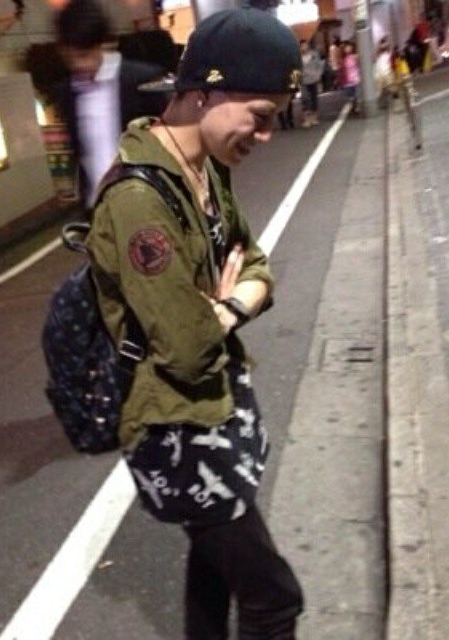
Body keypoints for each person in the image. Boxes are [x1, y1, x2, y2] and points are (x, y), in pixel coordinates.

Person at [85, 8, 304, 639]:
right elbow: (185, 348)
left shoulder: (204, 167)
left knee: (212, 577)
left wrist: (227, 306)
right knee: (274, 599)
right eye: (259, 116)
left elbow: (256, 264)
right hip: (177, 430)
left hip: (214, 408)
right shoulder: (139, 201)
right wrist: (230, 306)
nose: (266, 135)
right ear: (205, 93)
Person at [55, 0, 166, 210]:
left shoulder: (143, 81)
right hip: (98, 208)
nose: (80, 65)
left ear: (105, 44)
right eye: (72, 57)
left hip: (147, 205)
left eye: (85, 55)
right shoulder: (67, 94)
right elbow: (81, 155)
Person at [299, 39, 323, 127]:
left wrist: (318, 75)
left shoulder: (314, 54)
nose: (304, 47)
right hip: (303, 80)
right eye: (302, 46)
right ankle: (307, 119)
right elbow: (295, 68)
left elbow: (319, 65)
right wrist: (295, 83)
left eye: (305, 45)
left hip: (314, 79)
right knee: (305, 98)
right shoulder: (298, 56)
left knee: (314, 98)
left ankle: (314, 117)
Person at [341, 40, 361, 114]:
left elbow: (359, 66)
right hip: (347, 79)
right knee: (351, 96)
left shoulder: (355, 56)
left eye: (349, 47)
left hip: (355, 78)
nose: (348, 48)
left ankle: (357, 107)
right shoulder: (343, 59)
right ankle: (353, 106)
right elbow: (342, 70)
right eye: (346, 47)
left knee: (356, 94)